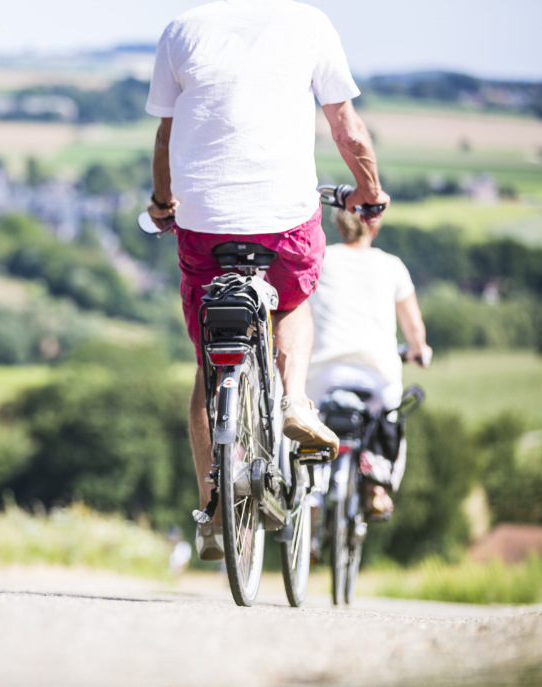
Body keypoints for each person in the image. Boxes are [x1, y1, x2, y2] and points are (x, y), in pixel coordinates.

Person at [145, 0, 391, 561]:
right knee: (295, 300)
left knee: (211, 362)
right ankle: (296, 401)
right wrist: (369, 191)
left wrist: (163, 203)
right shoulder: (309, 22)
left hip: (202, 221)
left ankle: (212, 509)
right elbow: (347, 130)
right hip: (284, 216)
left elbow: (166, 137)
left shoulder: (180, 28)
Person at [306, 209, 432, 516]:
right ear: (373, 229)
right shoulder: (392, 266)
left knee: (310, 425)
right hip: (376, 375)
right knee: (389, 419)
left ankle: (309, 496)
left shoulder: (319, 258)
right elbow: (413, 327)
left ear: (337, 226)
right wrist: (419, 350)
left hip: (322, 373)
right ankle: (376, 487)